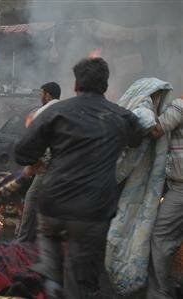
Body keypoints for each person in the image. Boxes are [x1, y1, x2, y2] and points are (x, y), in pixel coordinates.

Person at [14, 57, 141, 298]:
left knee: (49, 236)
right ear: (105, 85)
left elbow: (22, 151)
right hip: (93, 211)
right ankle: (64, 285)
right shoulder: (121, 116)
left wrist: (36, 163)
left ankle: (51, 277)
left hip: (53, 203)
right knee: (80, 272)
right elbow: (138, 138)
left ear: (75, 85)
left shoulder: (57, 111)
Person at [147, 96, 183, 299]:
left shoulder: (180, 106)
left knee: (161, 236)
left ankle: (160, 293)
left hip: (181, 189)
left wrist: (149, 109)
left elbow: (155, 130)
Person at [17, 81, 61, 243]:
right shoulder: (63, 109)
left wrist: (31, 165)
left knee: (32, 197)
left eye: (41, 94)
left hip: (48, 164)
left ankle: (23, 240)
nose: (40, 97)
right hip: (64, 165)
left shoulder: (42, 112)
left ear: (47, 94)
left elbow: (35, 142)